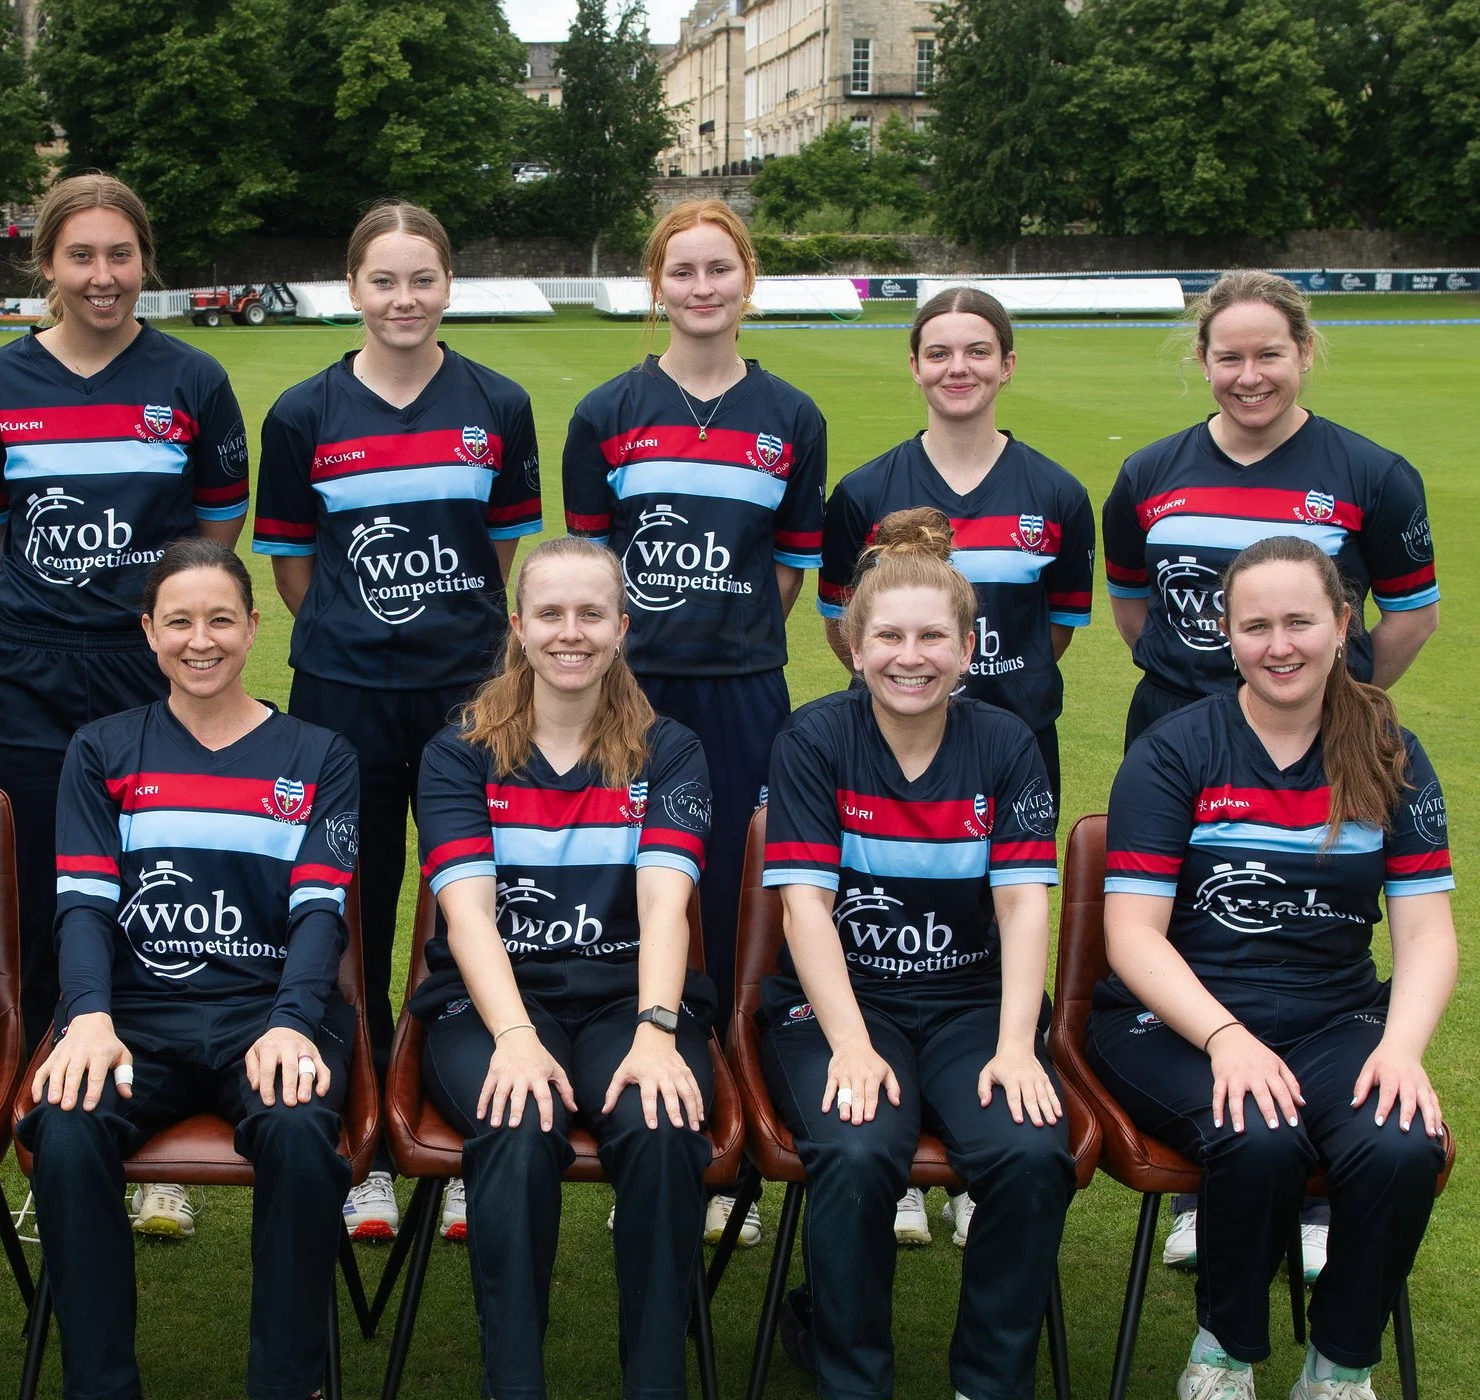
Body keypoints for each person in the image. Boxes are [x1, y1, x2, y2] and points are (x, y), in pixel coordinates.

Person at [1088, 535, 1455, 1400]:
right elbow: (1131, 935)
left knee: (1403, 1140)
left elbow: (1425, 934)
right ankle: (1220, 1365)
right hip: (1174, 1020)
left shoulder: (1388, 753)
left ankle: (1339, 1371)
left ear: (1343, 626)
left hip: (1333, 1018)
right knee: (1255, 1131)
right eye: (1256, 625)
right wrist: (1225, 1037)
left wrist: (1404, 1048)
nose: (1278, 643)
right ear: (1226, 632)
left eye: (1300, 621)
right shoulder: (1177, 750)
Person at [1105, 270, 1442, 1276]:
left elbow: (1409, 615)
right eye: (1227, 355)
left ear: (1302, 352)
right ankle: (1216, 1167)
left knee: (1298, 931)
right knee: (1189, 934)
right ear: (1201, 360)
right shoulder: (1148, 472)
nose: (1247, 374)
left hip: (1318, 748)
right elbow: (1135, 611)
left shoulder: (1370, 472)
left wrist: (1326, 706)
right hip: (1175, 744)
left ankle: (1307, 1189)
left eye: (1268, 353)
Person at [20, 539, 364, 1400]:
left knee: (299, 1131)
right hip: (136, 1021)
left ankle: (294, 1399)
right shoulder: (103, 750)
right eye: (179, 620)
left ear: (255, 627)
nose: (200, 639)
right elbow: (81, 906)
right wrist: (84, 1018)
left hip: (270, 1019)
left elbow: (317, 915)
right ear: (149, 633)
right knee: (68, 1126)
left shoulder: (317, 755)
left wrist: (297, 1020)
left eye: (220, 619)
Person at [0, 173, 248, 1242]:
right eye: (81, 256)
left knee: (166, 895)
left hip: (155, 671)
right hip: (31, 673)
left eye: (120, 254)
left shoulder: (192, 379)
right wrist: (55, 618)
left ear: (144, 260)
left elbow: (216, 537)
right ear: (46, 264)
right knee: (40, 903)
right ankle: (54, 1130)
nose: (103, 276)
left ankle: (158, 1144)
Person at [758, 510, 1074, 1400]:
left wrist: (1018, 1044)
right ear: (850, 644)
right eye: (886, 636)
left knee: (1026, 1147)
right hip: (837, 1003)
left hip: (972, 1002)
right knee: (856, 1142)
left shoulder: (1006, 743)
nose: (909, 656)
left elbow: (1023, 905)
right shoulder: (813, 739)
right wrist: (850, 1044)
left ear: (968, 647)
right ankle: (852, 1396)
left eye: (932, 636)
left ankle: (993, 1390)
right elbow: (804, 908)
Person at [253, 201, 542, 1245]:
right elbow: (294, 570)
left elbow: (502, 557)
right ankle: (360, 1139)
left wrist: (450, 645)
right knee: (351, 913)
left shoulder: (497, 403)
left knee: (481, 906)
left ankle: (473, 1123)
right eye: (384, 280)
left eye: (422, 279)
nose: (404, 299)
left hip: (472, 697)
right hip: (342, 693)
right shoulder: (303, 412)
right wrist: (358, 636)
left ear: (447, 287)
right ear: (353, 289)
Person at [409, 539, 715, 1400]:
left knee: (663, 1127)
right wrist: (509, 1034)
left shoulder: (669, 748)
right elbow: (464, 917)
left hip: (631, 1001)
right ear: (518, 627)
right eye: (551, 614)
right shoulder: (459, 749)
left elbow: (666, 906)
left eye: (592, 614)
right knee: (516, 1117)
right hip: (494, 1003)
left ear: (622, 628)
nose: (571, 632)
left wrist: (659, 1031)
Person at [561, 200, 825, 1253]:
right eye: (683, 271)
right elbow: (583, 575)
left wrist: (732, 638)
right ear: (656, 284)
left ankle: (726, 1142)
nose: (702, 287)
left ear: (745, 279)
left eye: (720, 268)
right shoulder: (607, 411)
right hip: (627, 695)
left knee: (730, 899)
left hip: (745, 690)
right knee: (620, 892)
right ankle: (640, 1109)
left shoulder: (790, 416)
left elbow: (793, 567)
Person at [818, 287, 1093, 799]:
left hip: (1015, 741)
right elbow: (842, 623)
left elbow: (1052, 631)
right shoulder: (862, 492)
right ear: (915, 366)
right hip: (888, 741)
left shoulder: (1059, 494)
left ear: (1007, 365)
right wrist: (910, 684)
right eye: (939, 354)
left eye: (978, 352)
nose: (958, 368)